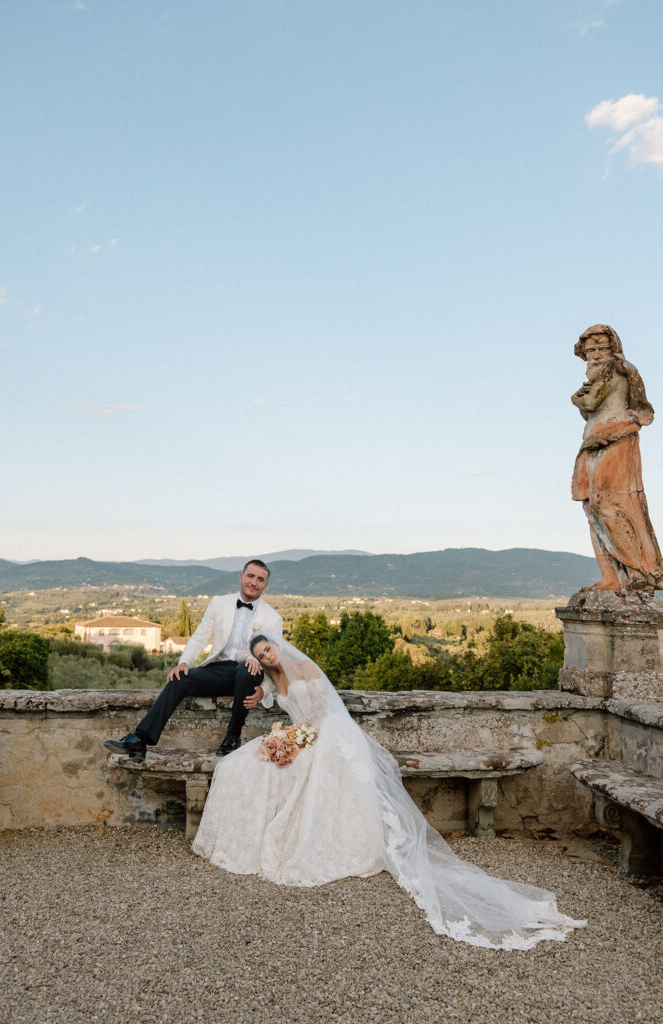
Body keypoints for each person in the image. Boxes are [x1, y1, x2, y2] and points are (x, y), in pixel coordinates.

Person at [192, 634, 587, 951]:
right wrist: (270, 709)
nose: (269, 656)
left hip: (325, 736)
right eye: (262, 654)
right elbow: (275, 704)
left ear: (279, 645)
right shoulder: (270, 679)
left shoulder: (303, 666)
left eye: (269, 649)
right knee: (244, 766)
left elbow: (323, 709)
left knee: (296, 776)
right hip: (302, 738)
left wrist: (301, 736)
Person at [104, 560, 283, 760]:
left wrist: (265, 689)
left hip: (249, 675)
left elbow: (277, 661)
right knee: (179, 679)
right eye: (250, 576)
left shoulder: (272, 618)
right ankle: (139, 740)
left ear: (265, 585)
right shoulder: (219, 603)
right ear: (241, 577)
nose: (254, 582)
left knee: (247, 669)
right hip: (219, 671)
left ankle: (233, 737)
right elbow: (199, 638)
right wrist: (183, 663)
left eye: (260, 579)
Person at [571, 324, 663, 590]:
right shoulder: (596, 375)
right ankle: (612, 576)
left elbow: (590, 404)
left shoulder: (616, 369)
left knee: (607, 502)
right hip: (593, 439)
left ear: (613, 348)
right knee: (591, 506)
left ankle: (638, 572)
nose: (596, 354)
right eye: (590, 351)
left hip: (616, 436)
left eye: (601, 348)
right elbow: (590, 411)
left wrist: (575, 398)